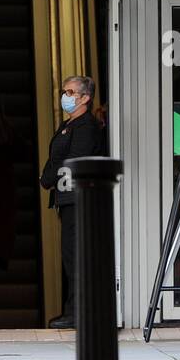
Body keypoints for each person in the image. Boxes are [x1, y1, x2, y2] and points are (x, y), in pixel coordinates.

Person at [39, 75, 107, 329]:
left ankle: (78, 312)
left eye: (70, 92)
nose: (64, 96)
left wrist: (46, 178)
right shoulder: (69, 124)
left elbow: (72, 159)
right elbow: (57, 155)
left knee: (76, 256)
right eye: (64, 91)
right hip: (67, 199)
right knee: (71, 255)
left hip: (80, 199)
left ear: (85, 98)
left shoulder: (86, 126)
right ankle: (73, 310)